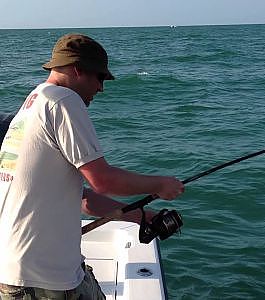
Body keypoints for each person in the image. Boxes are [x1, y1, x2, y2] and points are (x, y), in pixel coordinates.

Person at [0, 33, 184, 299]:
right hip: (43, 281)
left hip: (17, 271)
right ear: (77, 69)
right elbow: (103, 181)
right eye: (99, 77)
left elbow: (84, 200)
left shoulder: (33, 103)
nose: (101, 88)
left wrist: (142, 216)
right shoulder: (63, 100)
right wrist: (161, 184)